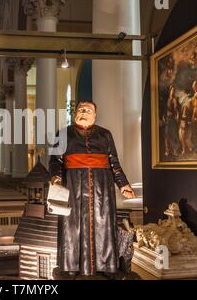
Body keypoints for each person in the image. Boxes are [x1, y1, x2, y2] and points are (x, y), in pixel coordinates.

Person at [49, 101, 136, 278]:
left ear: (95, 115)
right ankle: (70, 266)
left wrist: (123, 184)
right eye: (81, 109)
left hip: (101, 187)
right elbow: (55, 160)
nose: (84, 112)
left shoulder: (105, 135)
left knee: (103, 224)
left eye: (88, 110)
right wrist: (56, 177)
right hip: (73, 185)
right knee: (72, 226)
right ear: (75, 113)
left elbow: (114, 163)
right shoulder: (63, 134)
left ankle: (106, 266)